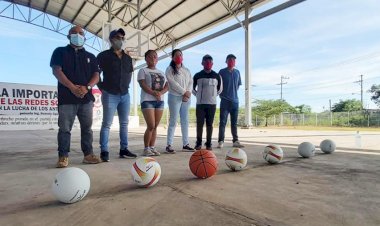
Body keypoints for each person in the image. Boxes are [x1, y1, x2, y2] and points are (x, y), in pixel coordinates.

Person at [50, 25, 101, 168]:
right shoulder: (60, 52)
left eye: (81, 33)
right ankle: (63, 157)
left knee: (87, 128)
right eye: (74, 33)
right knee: (65, 129)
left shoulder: (91, 56)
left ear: (84, 37)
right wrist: (72, 87)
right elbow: (56, 71)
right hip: (67, 98)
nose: (77, 35)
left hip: (86, 99)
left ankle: (88, 155)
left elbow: (96, 75)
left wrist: (87, 88)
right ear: (68, 36)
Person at [97, 28, 137, 162]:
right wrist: (102, 87)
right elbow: (96, 74)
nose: (121, 40)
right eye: (118, 38)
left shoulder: (127, 58)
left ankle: (124, 149)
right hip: (110, 94)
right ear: (111, 40)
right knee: (107, 123)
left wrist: (125, 87)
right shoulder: (103, 56)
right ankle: (104, 151)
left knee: (124, 123)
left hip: (125, 95)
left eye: (122, 38)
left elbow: (129, 73)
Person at [138, 50, 169, 156]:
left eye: (155, 57)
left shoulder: (161, 72)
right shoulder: (143, 70)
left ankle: (152, 147)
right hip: (147, 101)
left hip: (159, 102)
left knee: (155, 126)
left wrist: (160, 93)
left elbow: (167, 86)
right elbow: (142, 84)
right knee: (150, 125)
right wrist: (153, 93)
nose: (153, 59)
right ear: (146, 59)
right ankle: (146, 148)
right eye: (150, 57)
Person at [165, 49, 194, 153]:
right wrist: (184, 92)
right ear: (173, 57)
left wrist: (188, 93)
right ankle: (169, 145)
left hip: (186, 98)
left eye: (180, 55)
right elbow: (172, 83)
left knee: (185, 121)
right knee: (173, 121)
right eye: (177, 55)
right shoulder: (169, 69)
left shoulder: (187, 70)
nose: (179, 57)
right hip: (174, 97)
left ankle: (186, 144)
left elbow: (191, 82)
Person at [192, 54, 222, 150]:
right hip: (200, 104)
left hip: (212, 104)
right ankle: (198, 143)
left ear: (212, 63)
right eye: (206, 62)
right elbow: (191, 88)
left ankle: (208, 143)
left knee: (210, 124)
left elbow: (220, 89)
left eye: (210, 62)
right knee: (199, 124)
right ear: (202, 63)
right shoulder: (197, 75)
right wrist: (197, 95)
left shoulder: (217, 76)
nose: (208, 63)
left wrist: (212, 96)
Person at [217, 54, 244, 148]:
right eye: (230, 60)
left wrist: (232, 95)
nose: (232, 61)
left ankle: (235, 141)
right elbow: (218, 85)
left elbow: (237, 86)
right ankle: (221, 141)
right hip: (224, 101)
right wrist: (223, 94)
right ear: (226, 61)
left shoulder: (237, 72)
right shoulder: (221, 72)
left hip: (235, 102)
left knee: (234, 123)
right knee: (223, 122)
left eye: (233, 60)